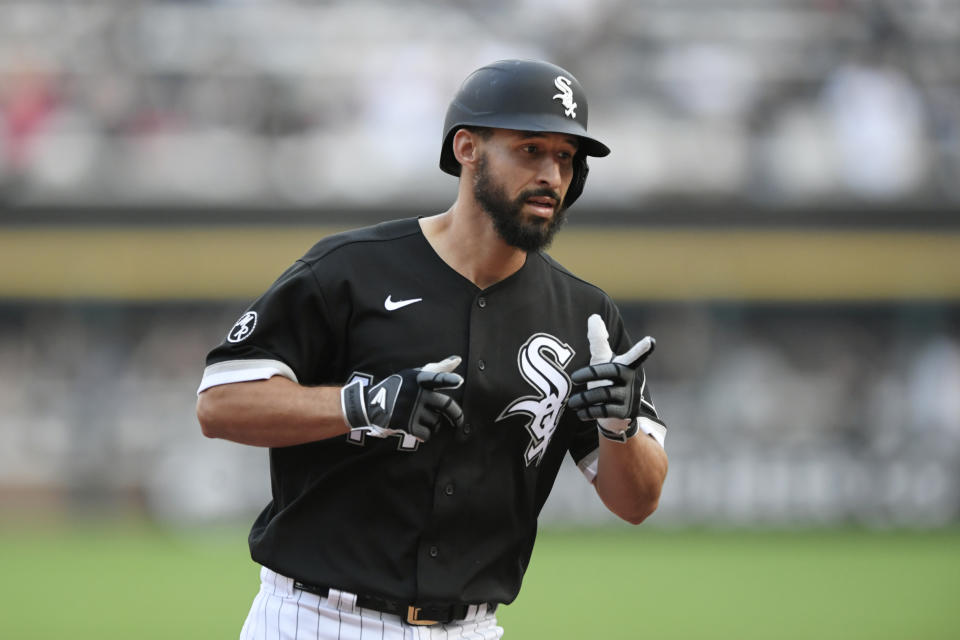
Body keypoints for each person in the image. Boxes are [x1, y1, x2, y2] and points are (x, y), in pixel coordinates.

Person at [196, 59, 668, 640]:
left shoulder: (584, 316)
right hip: (315, 618)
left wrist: (620, 427)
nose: (552, 173)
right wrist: (361, 405)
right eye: (530, 149)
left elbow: (637, 501)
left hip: (471, 628)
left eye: (566, 157)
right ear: (467, 148)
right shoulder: (351, 270)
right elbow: (219, 404)